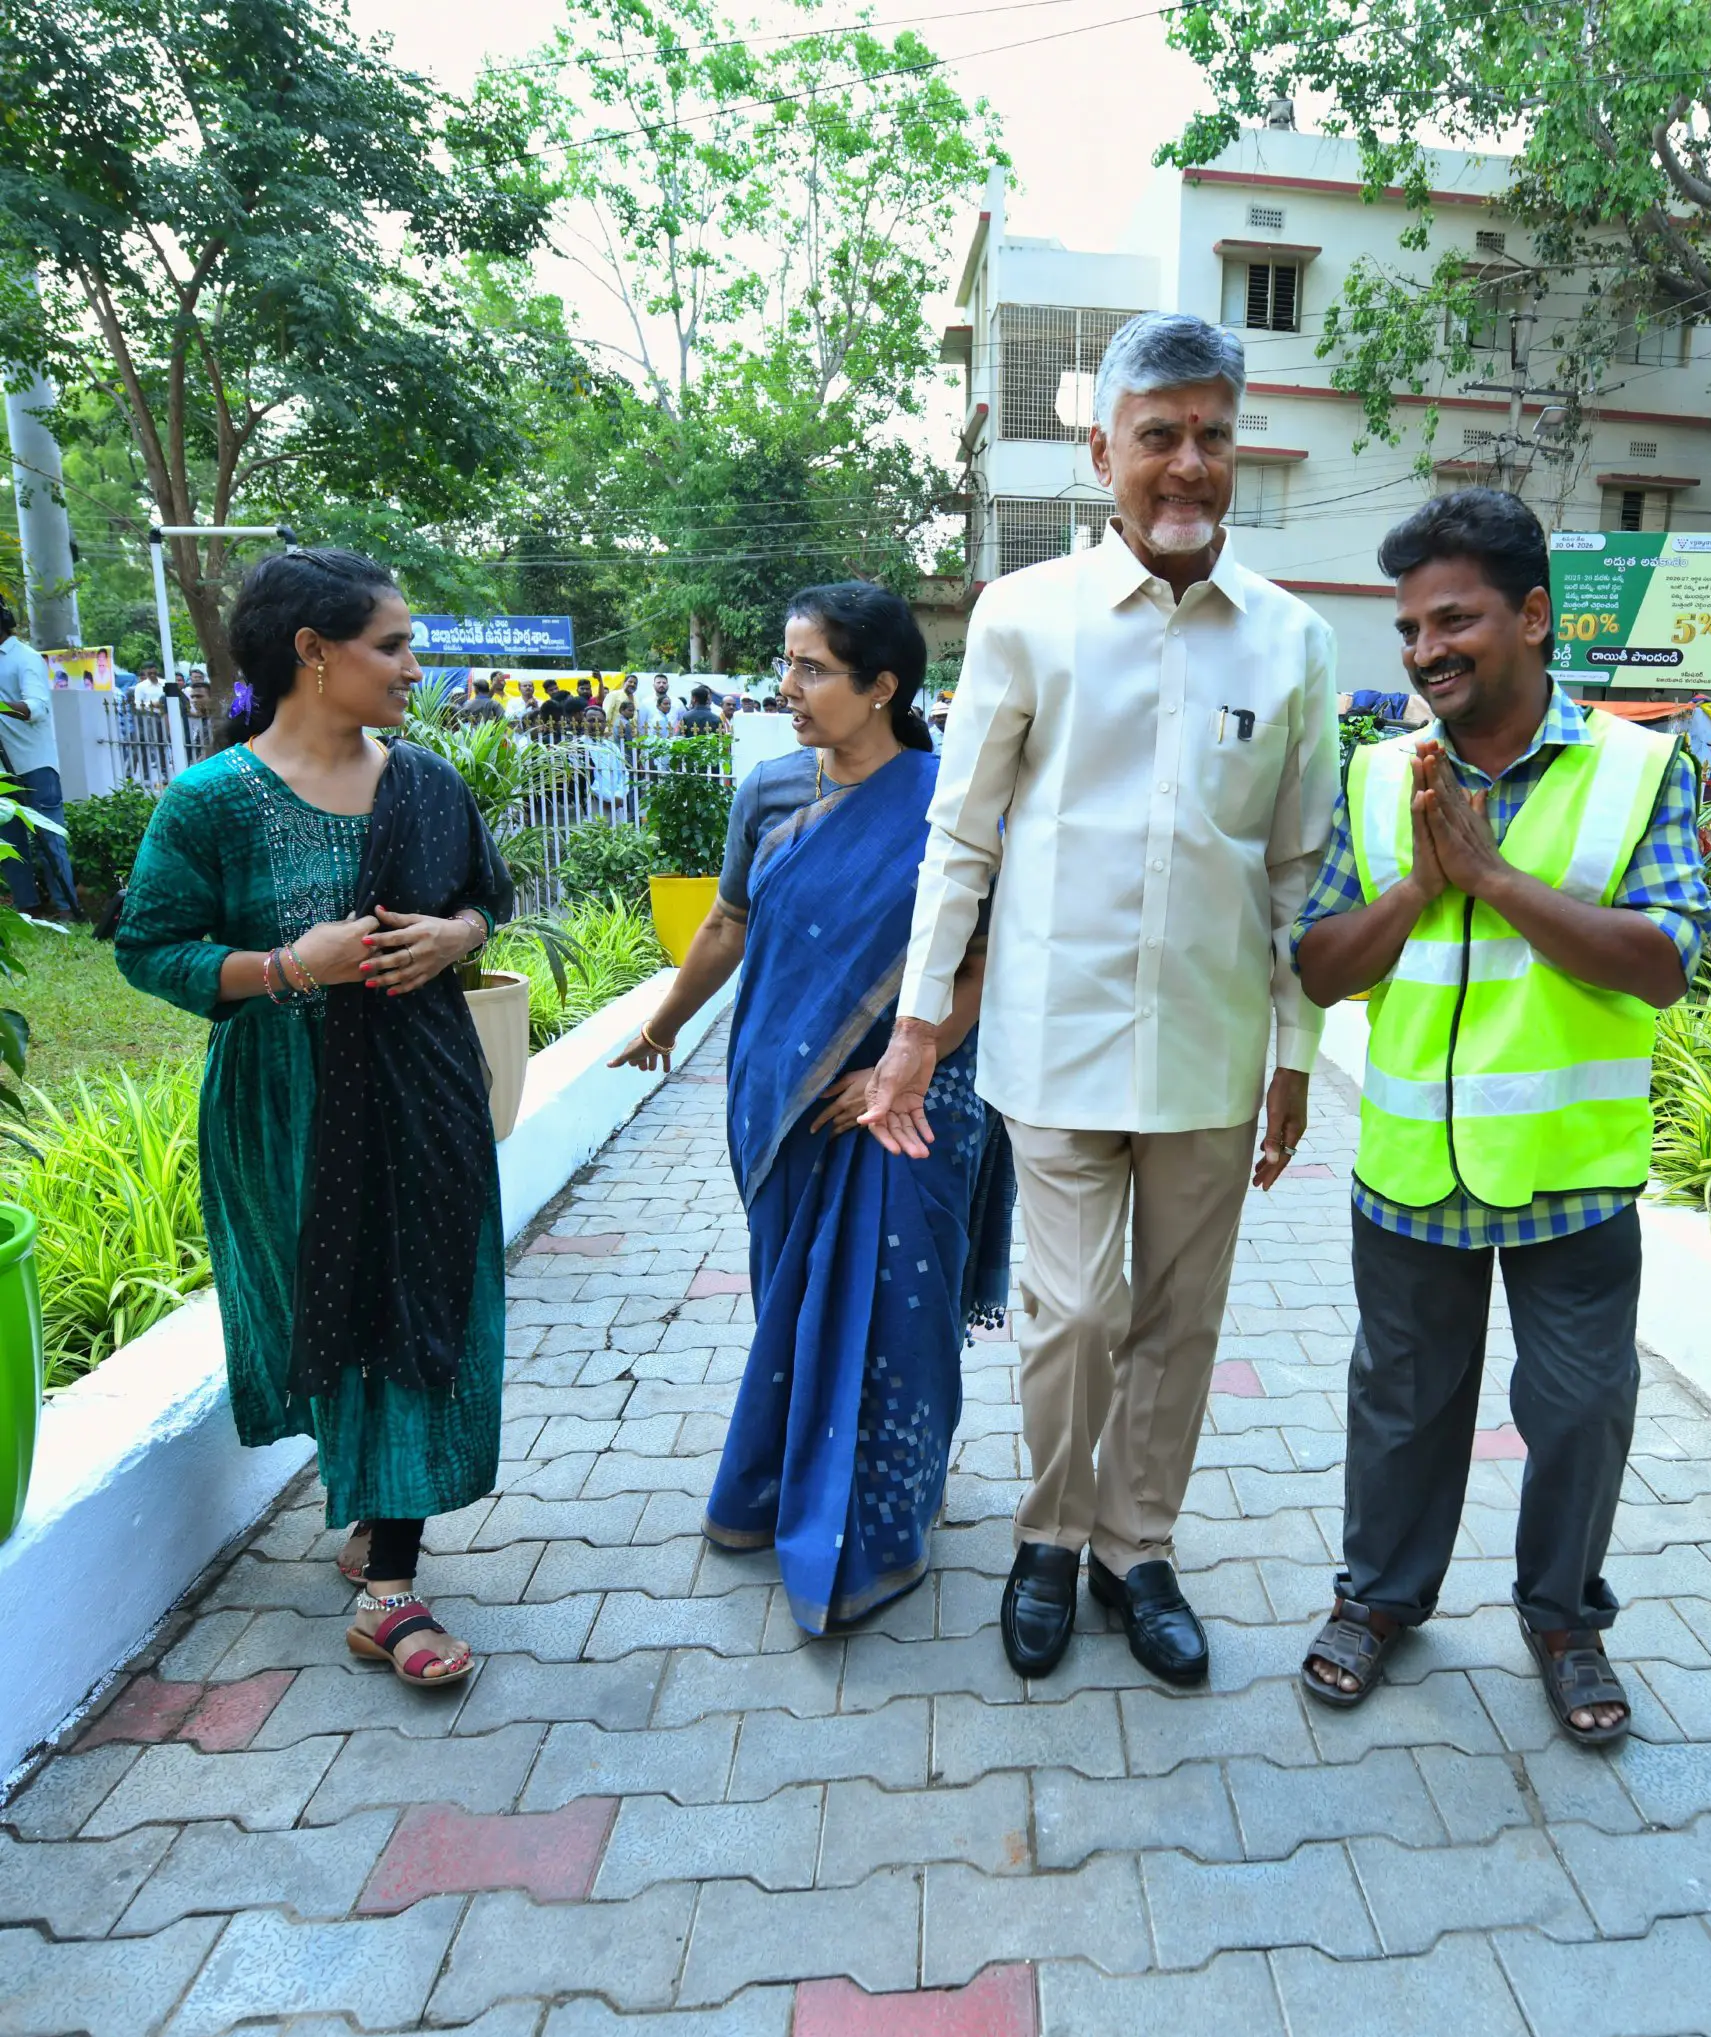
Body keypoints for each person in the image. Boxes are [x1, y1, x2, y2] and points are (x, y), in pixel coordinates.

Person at [861, 312, 1338, 1687]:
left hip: (1212, 1048)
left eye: (1213, 437)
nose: (1188, 466)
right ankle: (1048, 1538)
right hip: (1054, 1045)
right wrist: (914, 1029)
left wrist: (1296, 1055)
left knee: (1181, 1318)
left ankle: (1141, 1548)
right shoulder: (1026, 620)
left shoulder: (1292, 643)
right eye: (1159, 437)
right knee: (1071, 1312)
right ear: (1102, 452)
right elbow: (963, 838)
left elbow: (1298, 868)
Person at [1291, 488, 1711, 1745]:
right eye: (1409, 628)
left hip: (1569, 1173)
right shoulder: (1377, 779)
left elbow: (1663, 958)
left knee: (1580, 1410)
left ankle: (1561, 1617)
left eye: (1453, 619)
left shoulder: (1639, 765)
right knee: (1401, 1402)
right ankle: (1377, 1600)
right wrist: (1424, 886)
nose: (1425, 650)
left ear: (1531, 616)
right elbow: (1319, 965)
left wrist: (1490, 877)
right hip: (1410, 1165)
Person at [114, 548, 514, 1688]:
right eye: (390, 643)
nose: (411, 663)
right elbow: (151, 950)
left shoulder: (427, 783)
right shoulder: (214, 802)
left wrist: (457, 938)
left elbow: (489, 892)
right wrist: (295, 963)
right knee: (327, 1311)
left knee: (418, 1307)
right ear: (312, 653)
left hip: (423, 1095)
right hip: (284, 1112)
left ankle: (390, 1588)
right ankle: (373, 1510)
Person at [613, 584, 1010, 1632]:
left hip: (909, 1103)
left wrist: (899, 1073)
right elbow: (727, 927)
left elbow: (984, 964)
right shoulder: (770, 792)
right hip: (780, 1093)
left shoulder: (953, 801)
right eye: (783, 664)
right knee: (795, 1293)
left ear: (882, 686)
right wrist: (663, 1023)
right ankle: (793, 1475)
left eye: (810, 668)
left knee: (895, 1301)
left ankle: (884, 1516)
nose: (785, 688)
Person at [0, 602, 82, 921]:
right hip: (3, 771)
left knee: (50, 838)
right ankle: (27, 908)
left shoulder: (25, 658)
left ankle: (66, 909)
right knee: (9, 844)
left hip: (35, 765)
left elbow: (36, 708)